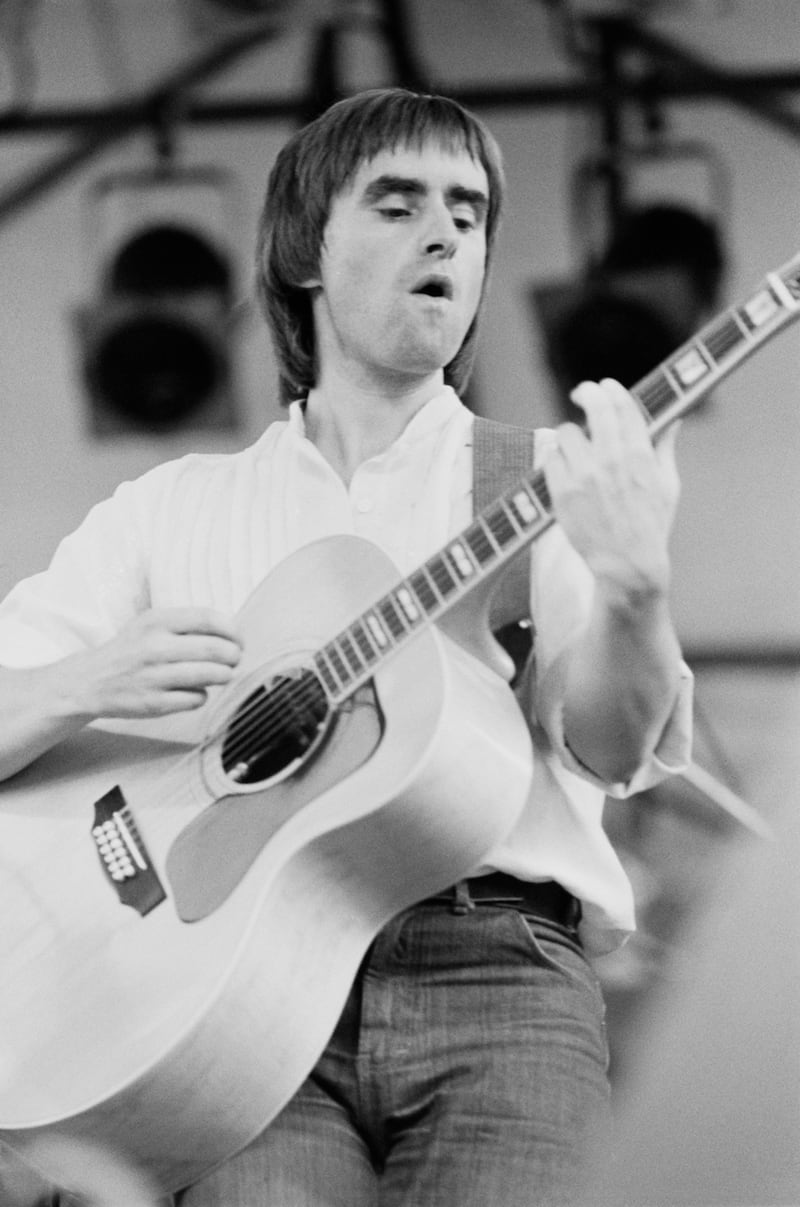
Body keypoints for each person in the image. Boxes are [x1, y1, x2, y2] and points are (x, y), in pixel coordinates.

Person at [0, 88, 691, 1206]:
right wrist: (85, 681)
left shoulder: (532, 483)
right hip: (235, 997)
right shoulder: (167, 509)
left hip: (500, 980)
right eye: (398, 202)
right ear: (303, 251)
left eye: (467, 214)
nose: (444, 236)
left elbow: (613, 750)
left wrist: (634, 589)